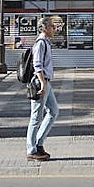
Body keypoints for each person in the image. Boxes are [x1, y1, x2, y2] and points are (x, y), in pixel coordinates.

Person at [26, 16, 60, 161]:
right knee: (36, 117)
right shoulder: (40, 43)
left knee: (53, 111)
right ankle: (32, 149)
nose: (54, 29)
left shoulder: (46, 42)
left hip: (46, 81)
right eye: (52, 26)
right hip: (41, 82)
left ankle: (39, 143)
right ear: (45, 28)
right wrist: (43, 83)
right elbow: (37, 65)